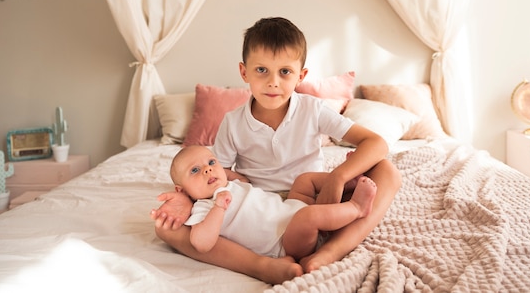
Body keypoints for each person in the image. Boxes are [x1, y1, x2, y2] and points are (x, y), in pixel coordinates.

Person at [151, 17, 402, 284]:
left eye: (284, 72)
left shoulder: (313, 110)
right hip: (257, 209)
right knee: (165, 228)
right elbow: (214, 175)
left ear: (300, 76)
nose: (273, 82)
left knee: (387, 171)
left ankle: (330, 252)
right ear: (244, 72)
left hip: (314, 197)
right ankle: (261, 265)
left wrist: (339, 176)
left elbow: (376, 143)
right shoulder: (233, 122)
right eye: (261, 70)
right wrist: (186, 199)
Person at [171, 145, 377, 260]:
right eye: (195, 171)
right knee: (308, 217)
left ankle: (347, 182)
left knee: (304, 180)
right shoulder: (203, 208)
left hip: (290, 208)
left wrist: (224, 174)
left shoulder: (230, 185)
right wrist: (218, 208)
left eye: (211, 162)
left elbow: (244, 180)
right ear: (182, 190)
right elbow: (200, 243)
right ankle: (356, 207)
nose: (207, 170)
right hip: (286, 241)